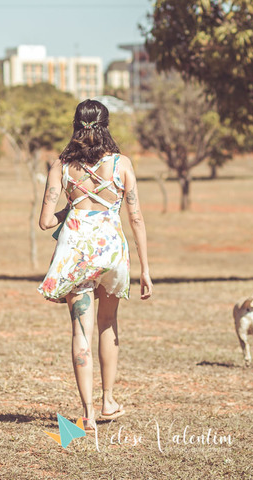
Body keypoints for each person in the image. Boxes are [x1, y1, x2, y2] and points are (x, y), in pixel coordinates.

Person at [37, 98, 152, 431]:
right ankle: (108, 401)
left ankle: (86, 413)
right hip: (110, 250)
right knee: (108, 321)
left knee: (80, 329)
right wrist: (145, 269)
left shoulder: (61, 166)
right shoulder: (122, 164)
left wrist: (71, 210)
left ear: (76, 125)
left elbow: (45, 222)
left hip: (74, 250)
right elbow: (136, 217)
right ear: (105, 126)